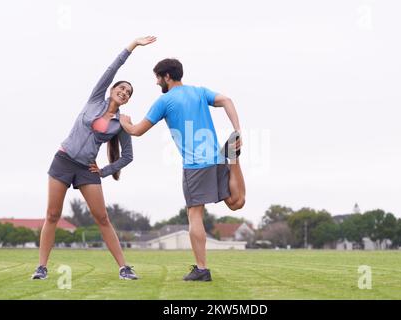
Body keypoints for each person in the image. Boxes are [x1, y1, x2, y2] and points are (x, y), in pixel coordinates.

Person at [31, 36, 157, 280]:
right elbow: (112, 69)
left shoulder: (121, 122)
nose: (124, 92)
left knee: (102, 218)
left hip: (87, 170)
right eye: (121, 88)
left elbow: (128, 157)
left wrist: (105, 171)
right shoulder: (95, 99)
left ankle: (124, 268)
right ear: (112, 90)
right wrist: (133, 45)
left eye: (128, 93)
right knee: (52, 215)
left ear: (128, 99)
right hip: (63, 160)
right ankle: (41, 268)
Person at [120, 58, 246, 281]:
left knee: (194, 214)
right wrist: (237, 130)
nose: (157, 82)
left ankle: (201, 269)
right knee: (236, 203)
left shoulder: (165, 100)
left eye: (158, 78)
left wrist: (124, 122)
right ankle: (232, 158)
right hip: (216, 158)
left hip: (195, 165)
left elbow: (137, 131)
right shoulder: (198, 92)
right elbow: (227, 100)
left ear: (167, 77)